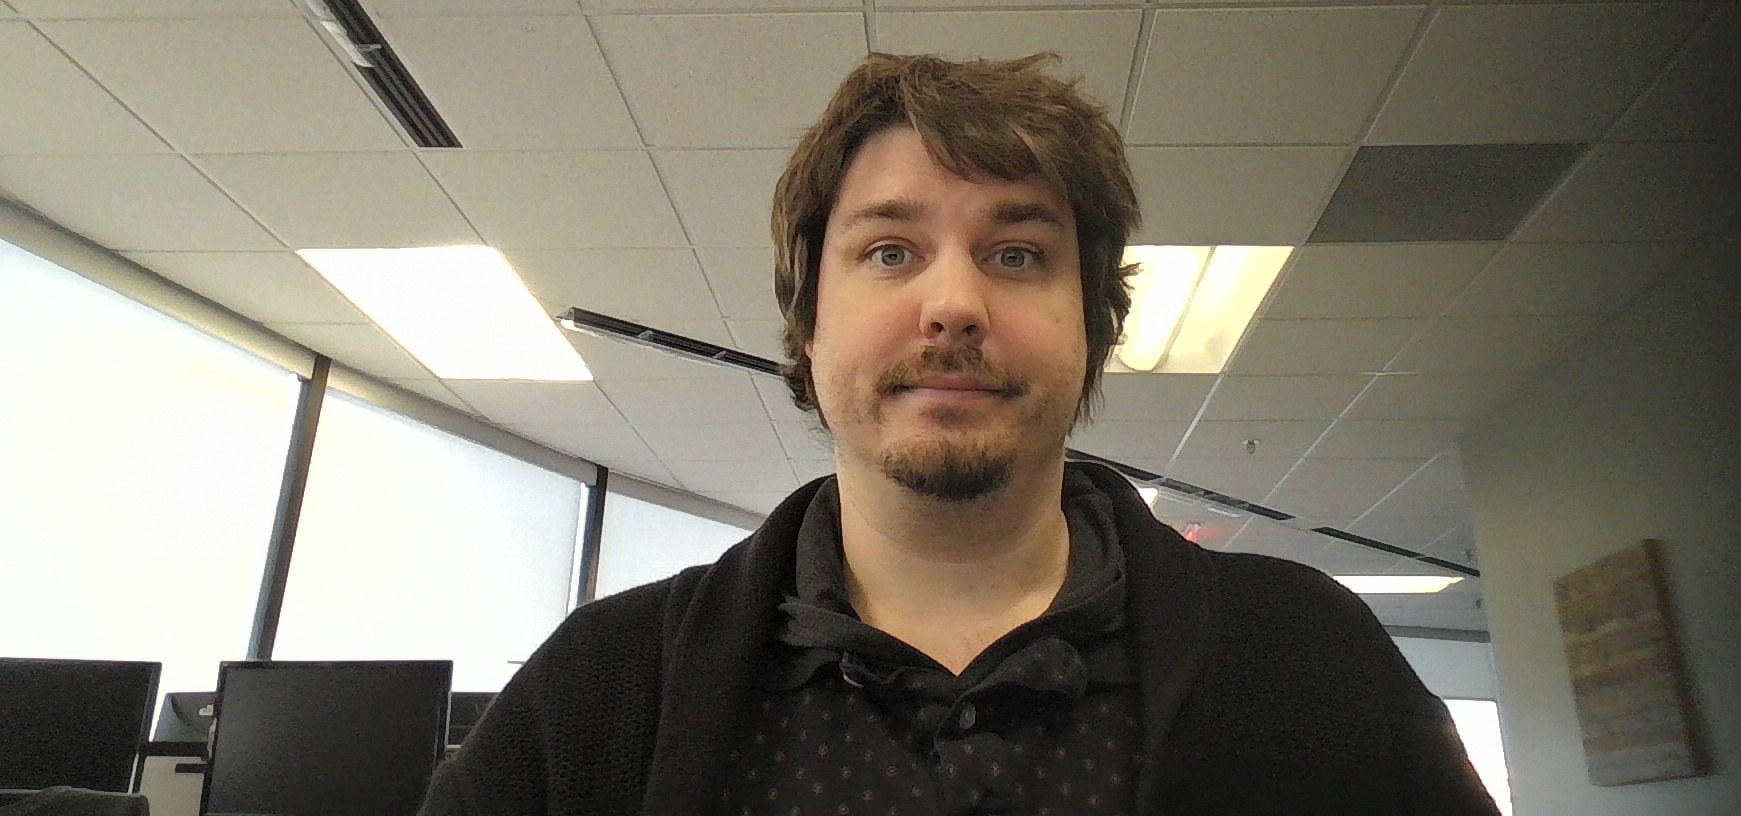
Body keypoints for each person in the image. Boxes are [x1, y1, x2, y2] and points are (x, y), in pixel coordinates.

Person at [419, 53, 1498, 815]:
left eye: (1019, 254)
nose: (954, 304)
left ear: (1093, 320)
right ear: (808, 318)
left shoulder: (1309, 657)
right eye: (890, 251)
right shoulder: (603, 694)